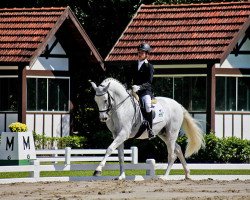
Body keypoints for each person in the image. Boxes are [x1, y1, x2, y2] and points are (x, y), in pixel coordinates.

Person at [125, 42, 155, 139]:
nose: (139, 54)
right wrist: (126, 86)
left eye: (142, 53)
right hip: (134, 91)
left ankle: (150, 129)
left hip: (145, 91)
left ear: (147, 54)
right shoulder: (133, 65)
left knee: (147, 105)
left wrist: (140, 87)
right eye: (138, 52)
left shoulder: (149, 66)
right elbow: (128, 78)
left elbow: (149, 82)